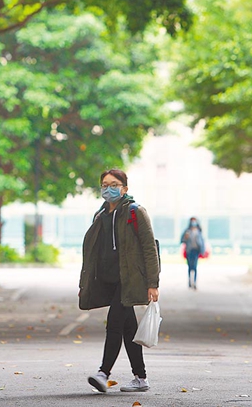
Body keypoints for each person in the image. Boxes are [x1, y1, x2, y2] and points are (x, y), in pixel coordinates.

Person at [79, 168, 160, 393]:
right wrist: (85, 283)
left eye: (114, 184)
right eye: (105, 185)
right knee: (128, 328)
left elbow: (149, 249)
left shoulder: (135, 212)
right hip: (109, 280)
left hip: (130, 279)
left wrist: (152, 283)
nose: (109, 188)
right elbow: (93, 251)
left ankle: (103, 373)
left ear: (124, 188)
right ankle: (140, 377)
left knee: (114, 323)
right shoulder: (100, 215)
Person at [181, 217, 205, 290]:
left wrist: (202, 250)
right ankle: (189, 281)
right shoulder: (187, 231)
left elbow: (202, 242)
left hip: (196, 251)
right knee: (190, 266)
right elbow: (182, 240)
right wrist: (186, 237)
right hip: (189, 250)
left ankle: (194, 282)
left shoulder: (199, 231)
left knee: (194, 267)